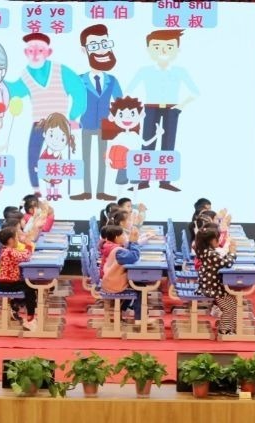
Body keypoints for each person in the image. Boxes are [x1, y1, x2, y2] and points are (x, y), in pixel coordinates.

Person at [7, 32, 86, 197]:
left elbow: (79, 90)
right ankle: (36, 189)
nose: (35, 55)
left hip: (60, 123)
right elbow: (15, 91)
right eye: (31, 51)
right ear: (25, 53)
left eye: (40, 50)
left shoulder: (60, 70)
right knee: (33, 155)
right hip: (39, 122)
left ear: (48, 52)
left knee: (60, 154)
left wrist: (73, 116)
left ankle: (59, 190)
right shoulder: (26, 75)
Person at [127, 30, 199, 192]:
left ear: (178, 49)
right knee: (147, 143)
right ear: (149, 49)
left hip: (171, 109)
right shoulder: (144, 70)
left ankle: (165, 181)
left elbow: (195, 92)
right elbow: (129, 90)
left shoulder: (180, 71)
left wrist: (180, 107)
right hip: (150, 108)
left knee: (168, 144)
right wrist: (139, 108)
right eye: (157, 47)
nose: (164, 51)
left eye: (169, 47)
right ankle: (143, 179)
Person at [73, 24, 123, 201]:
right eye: (94, 46)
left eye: (104, 44)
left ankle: (101, 191)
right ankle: (87, 191)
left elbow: (119, 102)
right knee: (85, 158)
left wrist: (115, 118)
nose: (100, 50)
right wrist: (72, 119)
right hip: (86, 123)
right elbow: (75, 101)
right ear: (84, 50)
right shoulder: (80, 79)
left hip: (105, 125)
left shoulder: (112, 80)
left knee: (103, 159)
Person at [194, 226, 238, 335]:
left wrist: (229, 253)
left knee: (233, 303)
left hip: (213, 285)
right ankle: (224, 330)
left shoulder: (207, 251)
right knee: (229, 308)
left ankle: (231, 327)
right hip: (212, 288)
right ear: (210, 241)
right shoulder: (210, 254)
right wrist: (232, 252)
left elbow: (222, 261)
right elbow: (227, 263)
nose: (218, 241)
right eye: (217, 239)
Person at [0, 227, 37, 330]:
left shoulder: (8, 250)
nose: (18, 240)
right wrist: (28, 245)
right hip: (7, 284)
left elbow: (23, 255)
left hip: (8, 282)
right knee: (30, 288)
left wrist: (27, 246)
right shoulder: (9, 251)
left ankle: (20, 309)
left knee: (30, 285)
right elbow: (26, 257)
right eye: (16, 237)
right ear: (11, 240)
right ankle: (30, 319)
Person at [100, 225, 142, 323]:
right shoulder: (118, 251)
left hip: (110, 280)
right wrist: (133, 242)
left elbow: (128, 253)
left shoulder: (112, 246)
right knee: (140, 287)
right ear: (116, 237)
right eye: (123, 235)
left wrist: (131, 242)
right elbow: (133, 257)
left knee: (136, 284)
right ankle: (140, 319)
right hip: (113, 283)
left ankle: (121, 311)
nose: (125, 237)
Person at [36, 113, 76, 201]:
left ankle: (55, 194)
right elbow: (41, 161)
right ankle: (49, 194)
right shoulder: (46, 153)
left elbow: (62, 164)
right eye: (51, 135)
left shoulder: (59, 154)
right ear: (44, 134)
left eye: (62, 139)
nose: (56, 141)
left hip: (56, 172)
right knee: (48, 182)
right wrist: (39, 168)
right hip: (47, 172)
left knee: (56, 182)